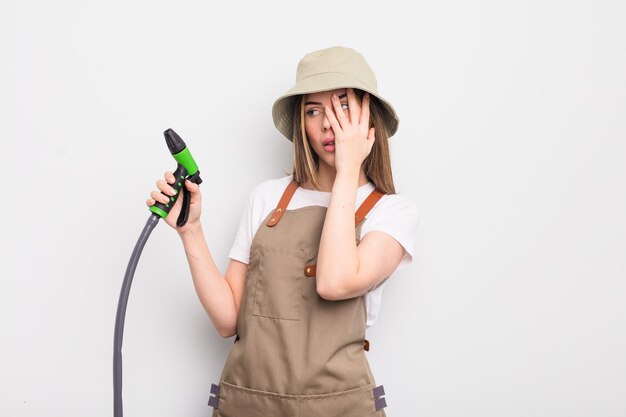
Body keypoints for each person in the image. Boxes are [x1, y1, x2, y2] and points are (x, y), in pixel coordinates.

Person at [147, 46, 419, 417]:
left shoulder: (392, 212)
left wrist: (347, 171)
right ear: (301, 124)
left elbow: (335, 282)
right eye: (313, 110)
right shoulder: (267, 197)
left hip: (338, 409)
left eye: (343, 105)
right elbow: (228, 321)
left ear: (369, 117)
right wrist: (190, 230)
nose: (328, 123)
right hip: (248, 406)